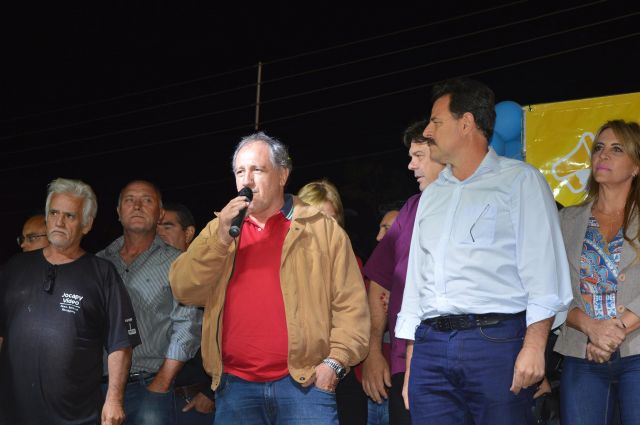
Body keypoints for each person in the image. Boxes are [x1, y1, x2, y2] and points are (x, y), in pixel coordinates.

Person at [396, 78, 572, 425]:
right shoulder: (431, 196)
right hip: (430, 347)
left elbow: (544, 271)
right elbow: (417, 283)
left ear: (466, 123)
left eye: (436, 121)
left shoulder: (520, 180)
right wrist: (413, 364)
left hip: (495, 343)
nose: (428, 131)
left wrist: (534, 347)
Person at [169, 132, 370, 425]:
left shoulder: (322, 230)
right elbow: (183, 288)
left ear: (282, 175)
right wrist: (220, 239)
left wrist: (334, 365)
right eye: (240, 172)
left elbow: (352, 307)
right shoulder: (220, 229)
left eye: (257, 170)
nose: (247, 181)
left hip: (305, 386)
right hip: (235, 388)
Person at [0, 178, 140, 425]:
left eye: (70, 216)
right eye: (54, 213)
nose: (59, 222)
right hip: (13, 413)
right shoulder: (14, 268)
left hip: (77, 416)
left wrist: (114, 399)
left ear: (86, 224)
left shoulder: (102, 273)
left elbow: (120, 344)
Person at [553, 120, 640, 425]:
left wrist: (613, 333)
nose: (603, 155)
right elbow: (553, 290)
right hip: (582, 353)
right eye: (599, 147)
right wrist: (591, 328)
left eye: (617, 149)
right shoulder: (566, 220)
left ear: (636, 166)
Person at [98, 180, 202, 425]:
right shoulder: (99, 263)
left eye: (146, 200)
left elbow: (188, 326)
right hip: (101, 389)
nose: (137, 206)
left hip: (152, 384)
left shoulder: (179, 263)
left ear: (160, 213)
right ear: (118, 211)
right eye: (129, 200)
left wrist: (161, 383)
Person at [362, 120, 445, 425]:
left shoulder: (479, 201)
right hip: (403, 361)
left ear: (444, 153)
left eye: (419, 155)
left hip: (462, 358)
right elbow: (380, 279)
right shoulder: (411, 208)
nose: (411, 165)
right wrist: (373, 352)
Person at [298, 179, 370, 425]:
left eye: (330, 220)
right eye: (314, 219)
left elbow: (357, 322)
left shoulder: (352, 264)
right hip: (293, 378)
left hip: (343, 374)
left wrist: (333, 364)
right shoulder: (280, 266)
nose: (323, 229)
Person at [157, 202, 215, 425]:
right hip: (151, 395)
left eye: (167, 226)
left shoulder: (208, 274)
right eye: (155, 228)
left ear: (189, 233)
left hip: (194, 400)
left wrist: (211, 393)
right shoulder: (147, 279)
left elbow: (231, 333)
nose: (159, 234)